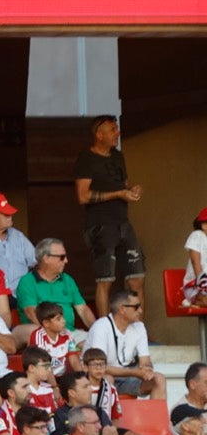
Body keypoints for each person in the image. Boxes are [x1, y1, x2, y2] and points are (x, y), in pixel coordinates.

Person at [73, 115, 145, 316]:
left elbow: (123, 185)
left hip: (123, 222)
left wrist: (131, 191)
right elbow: (83, 195)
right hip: (100, 225)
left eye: (117, 128)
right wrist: (118, 194)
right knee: (106, 280)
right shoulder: (86, 159)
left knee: (136, 278)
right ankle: (106, 330)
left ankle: (137, 328)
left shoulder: (118, 156)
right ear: (99, 134)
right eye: (113, 130)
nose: (117, 133)